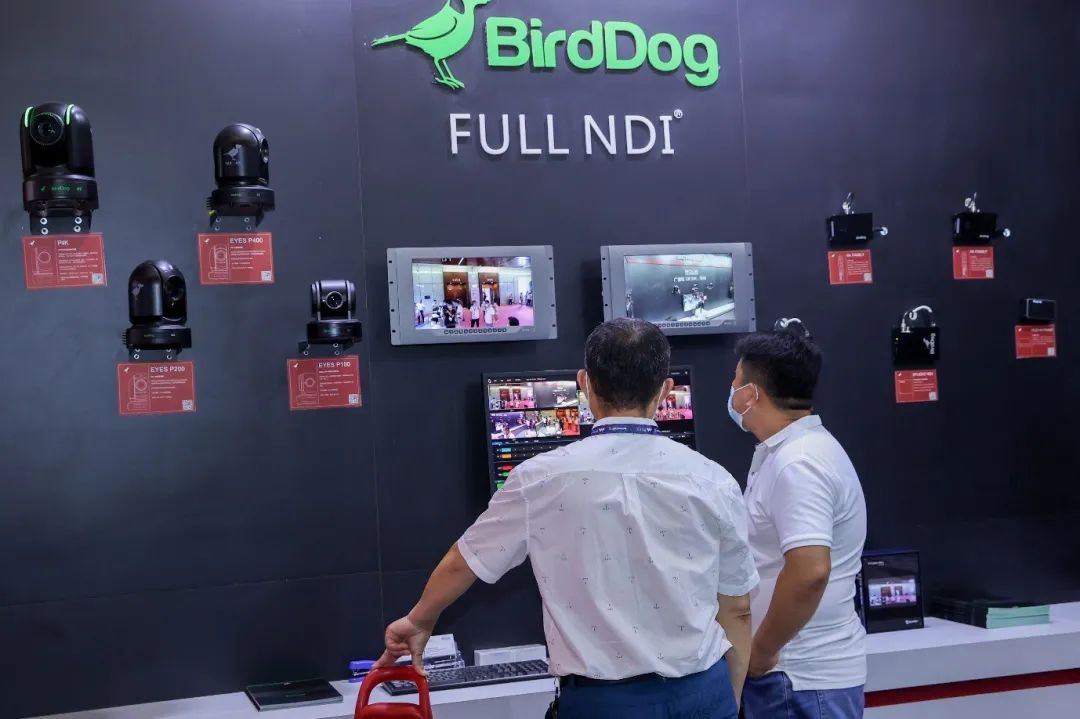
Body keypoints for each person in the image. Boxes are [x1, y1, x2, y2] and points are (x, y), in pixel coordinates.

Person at [374, 318, 758, 719]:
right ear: (665, 390)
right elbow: (738, 608)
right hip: (704, 692)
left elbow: (465, 560)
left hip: (603, 704)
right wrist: (727, 700)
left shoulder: (539, 478)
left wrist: (420, 620)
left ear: (585, 384)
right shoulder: (713, 479)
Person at [726, 331, 867, 719]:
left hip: (798, 677)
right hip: (795, 678)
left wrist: (762, 651)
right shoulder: (790, 453)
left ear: (751, 394)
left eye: (735, 380)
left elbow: (810, 571)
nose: (731, 391)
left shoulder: (799, 463)